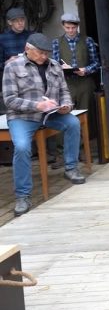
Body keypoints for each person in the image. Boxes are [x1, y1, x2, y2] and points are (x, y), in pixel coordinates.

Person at [3, 33, 87, 217]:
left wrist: (66, 105)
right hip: (22, 116)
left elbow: (64, 91)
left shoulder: (54, 65)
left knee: (72, 122)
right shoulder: (12, 67)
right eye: (40, 53)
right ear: (27, 49)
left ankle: (71, 168)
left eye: (46, 53)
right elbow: (9, 100)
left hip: (50, 114)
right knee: (23, 147)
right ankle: (22, 196)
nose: (44, 57)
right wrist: (36, 105)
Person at [52, 13, 101, 110]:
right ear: (63, 26)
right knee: (68, 114)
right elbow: (54, 64)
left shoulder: (88, 40)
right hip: (66, 84)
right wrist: (61, 67)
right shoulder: (56, 42)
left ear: (77, 26)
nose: (70, 30)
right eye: (67, 27)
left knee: (87, 114)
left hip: (85, 83)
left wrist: (85, 70)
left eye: (73, 28)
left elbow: (96, 63)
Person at [0, 7, 34, 114]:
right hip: (11, 81)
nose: (20, 23)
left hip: (31, 80)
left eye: (22, 20)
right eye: (16, 21)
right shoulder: (2, 39)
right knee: (13, 112)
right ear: (10, 22)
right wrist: (6, 62)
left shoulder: (31, 36)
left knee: (32, 110)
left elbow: (41, 57)